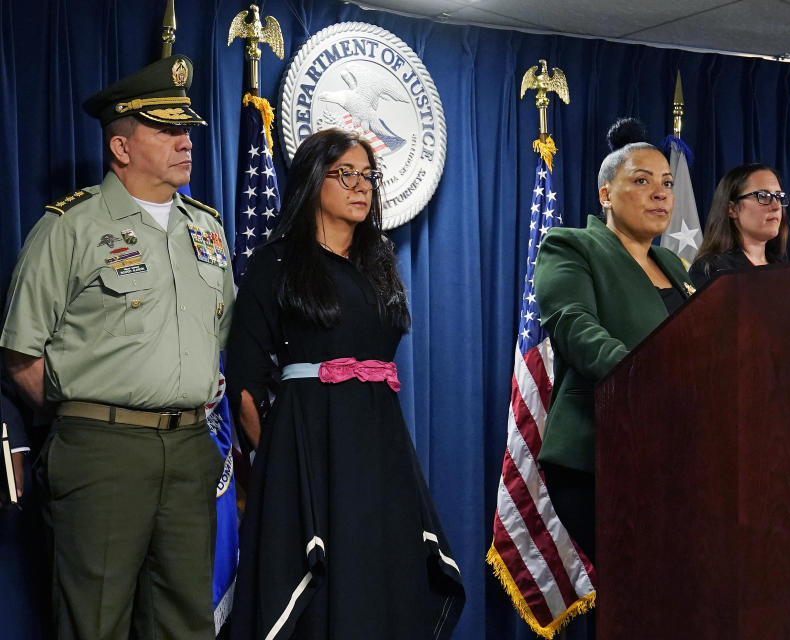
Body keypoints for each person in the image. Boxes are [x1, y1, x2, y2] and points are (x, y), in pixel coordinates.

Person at [0, 55, 232, 639]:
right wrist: (85, 419)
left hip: (189, 451)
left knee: (186, 625)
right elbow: (20, 354)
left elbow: (218, 339)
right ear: (121, 147)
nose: (185, 142)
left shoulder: (209, 229)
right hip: (101, 450)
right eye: (167, 129)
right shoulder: (69, 227)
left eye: (188, 130)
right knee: (94, 622)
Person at [226, 128, 464, 639]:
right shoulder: (277, 263)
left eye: (369, 176)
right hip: (310, 450)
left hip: (380, 448)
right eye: (346, 174)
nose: (361, 186)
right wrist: (283, 466)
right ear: (314, 181)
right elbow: (243, 382)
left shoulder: (379, 266)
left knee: (384, 573)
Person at [534, 118, 696, 565]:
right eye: (641, 181)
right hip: (600, 454)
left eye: (666, 182)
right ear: (606, 194)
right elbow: (575, 326)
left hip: (676, 453)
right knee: (636, 590)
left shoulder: (675, 266)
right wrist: (645, 378)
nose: (661, 193)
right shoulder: (571, 246)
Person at [688, 163, 790, 288]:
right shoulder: (712, 270)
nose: (776, 206)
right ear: (732, 209)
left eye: (779, 197)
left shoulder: (786, 269)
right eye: (763, 196)